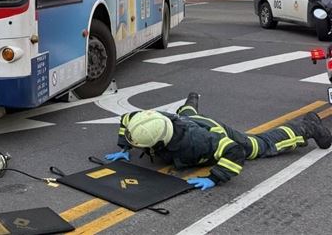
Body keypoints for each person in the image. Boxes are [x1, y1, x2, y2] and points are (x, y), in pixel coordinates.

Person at [106, 92, 332, 190]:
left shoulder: (198, 142)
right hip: (185, 122)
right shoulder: (149, 120)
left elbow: (235, 151)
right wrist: (124, 147)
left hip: (214, 131)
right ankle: (191, 100)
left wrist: (215, 177)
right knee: (188, 114)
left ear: (157, 143)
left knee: (259, 146)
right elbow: (127, 119)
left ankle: (307, 127)